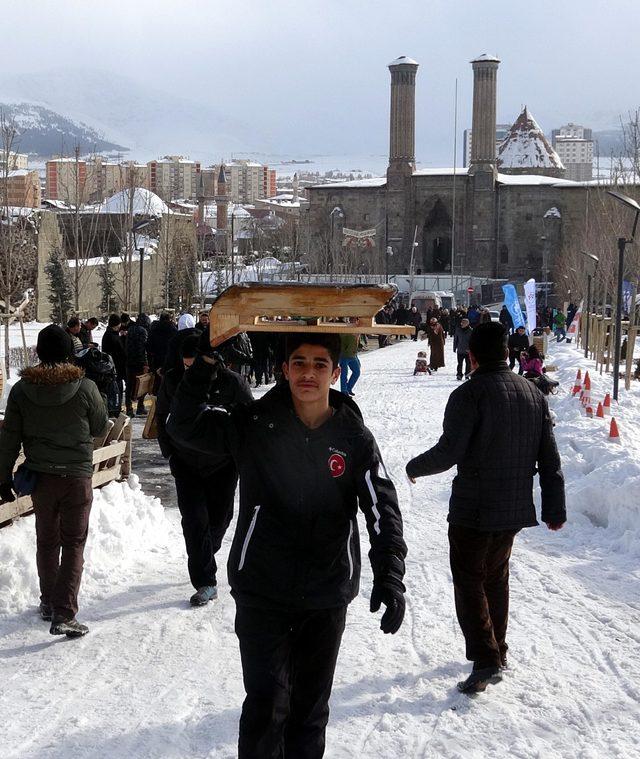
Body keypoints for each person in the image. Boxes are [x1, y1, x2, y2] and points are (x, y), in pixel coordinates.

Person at [168, 332, 406, 758]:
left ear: (336, 372)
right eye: (298, 362)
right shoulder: (254, 424)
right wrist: (204, 365)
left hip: (326, 592)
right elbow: (183, 426)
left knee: (309, 713)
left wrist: (390, 572)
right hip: (263, 589)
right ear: (284, 370)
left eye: (319, 364)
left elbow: (380, 505)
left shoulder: (354, 437)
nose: (308, 373)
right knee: (265, 707)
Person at [405, 322, 565, 694]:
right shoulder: (534, 394)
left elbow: (449, 452)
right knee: (496, 577)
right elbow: (550, 460)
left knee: (469, 580)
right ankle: (498, 649)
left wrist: (414, 467)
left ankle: (486, 658)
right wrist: (555, 510)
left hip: (473, 509)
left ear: (472, 356)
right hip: (512, 509)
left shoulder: (469, 395)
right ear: (508, 353)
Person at [0, 325, 108, 637]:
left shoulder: (21, 390)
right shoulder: (85, 386)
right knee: (73, 543)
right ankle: (64, 612)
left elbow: (9, 438)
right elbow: (101, 426)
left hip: (41, 479)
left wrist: (2, 475)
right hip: (76, 477)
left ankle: (48, 602)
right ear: (68, 354)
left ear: (38, 352)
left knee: (47, 542)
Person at [156, 333, 253, 606]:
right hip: (186, 465)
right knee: (194, 522)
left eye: (194, 364)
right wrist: (170, 453)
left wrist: (240, 457)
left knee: (219, 520)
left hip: (222, 465)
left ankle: (206, 552)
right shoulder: (174, 381)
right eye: (186, 366)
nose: (190, 370)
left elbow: (249, 422)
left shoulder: (232, 383)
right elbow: (162, 417)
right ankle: (205, 582)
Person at [124, 313, 150, 417]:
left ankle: (129, 409)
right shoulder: (143, 331)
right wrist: (145, 363)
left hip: (129, 362)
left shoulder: (130, 329)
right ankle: (140, 406)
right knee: (142, 384)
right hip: (139, 363)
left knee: (129, 386)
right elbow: (143, 349)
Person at [102, 314, 127, 414]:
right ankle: (115, 410)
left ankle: (116, 408)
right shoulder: (112, 336)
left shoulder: (111, 334)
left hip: (114, 368)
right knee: (116, 391)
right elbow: (119, 351)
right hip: (115, 369)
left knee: (117, 390)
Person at [147, 313, 178, 393]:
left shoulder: (154, 329)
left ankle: (156, 401)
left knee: (157, 383)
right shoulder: (173, 330)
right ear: (169, 319)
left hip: (156, 360)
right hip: (169, 360)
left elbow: (149, 346)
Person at [339, 324, 361, 396]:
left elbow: (355, 345)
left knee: (357, 372)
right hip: (344, 356)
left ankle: (348, 388)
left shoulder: (358, 331)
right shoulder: (345, 333)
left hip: (353, 355)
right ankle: (344, 391)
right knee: (344, 374)